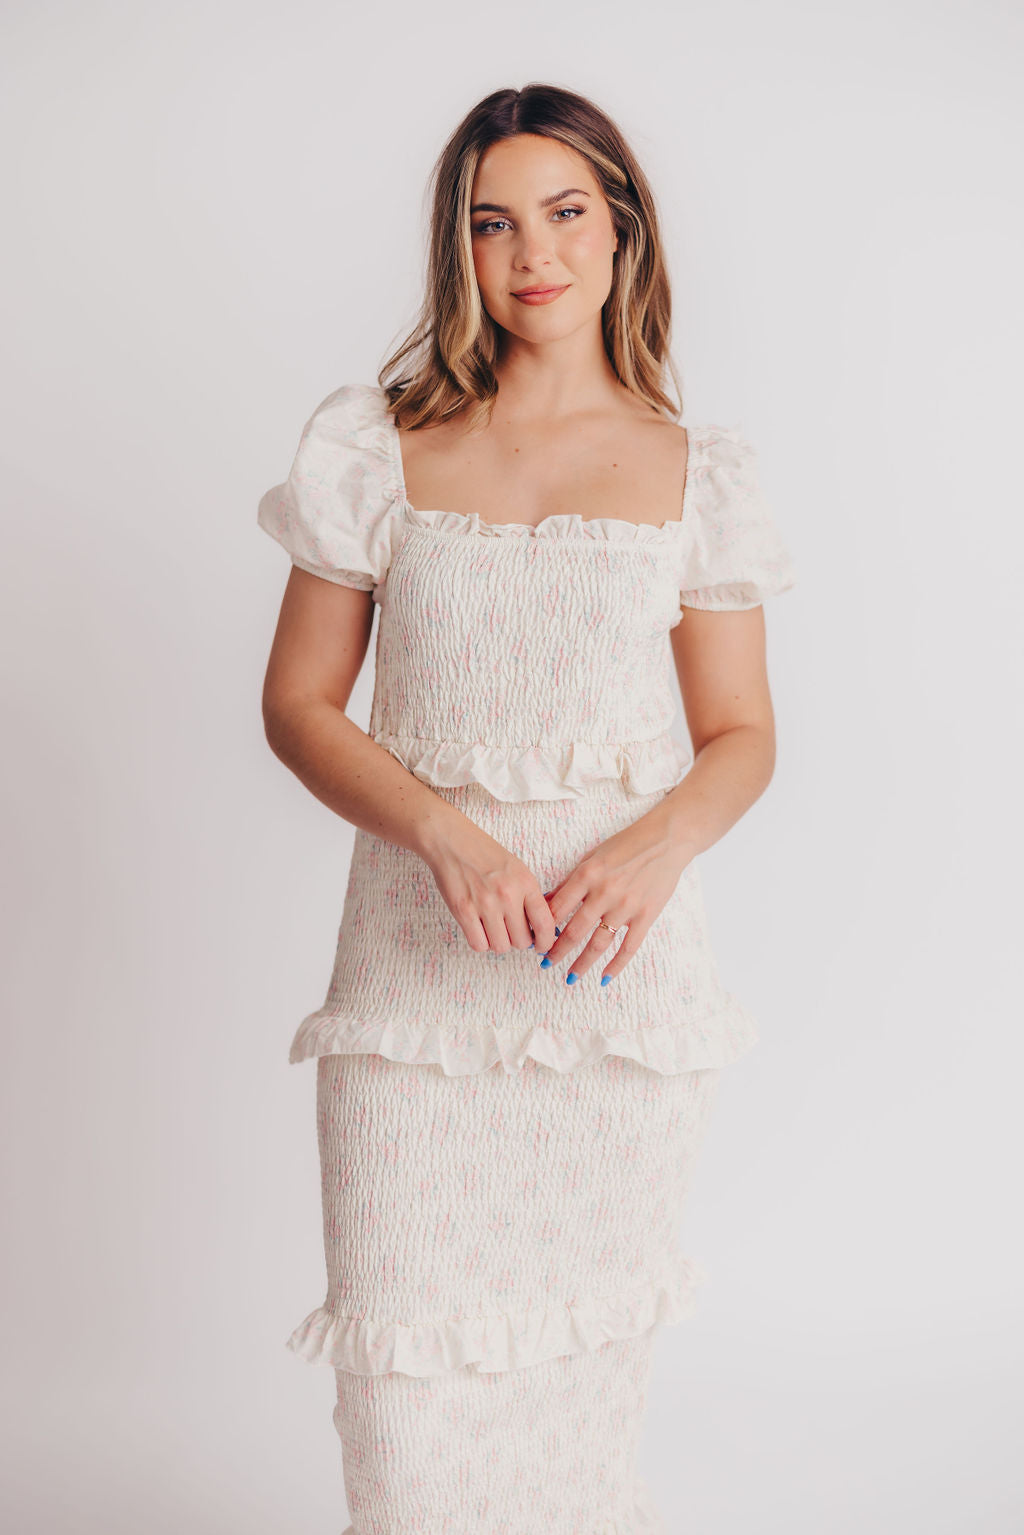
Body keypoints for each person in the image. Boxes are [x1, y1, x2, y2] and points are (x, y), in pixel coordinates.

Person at [256, 81, 796, 1535]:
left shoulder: (697, 473)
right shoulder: (375, 444)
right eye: (492, 223)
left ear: (623, 232)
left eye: (564, 213)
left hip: (614, 994)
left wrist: (656, 846)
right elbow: (299, 705)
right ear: (459, 248)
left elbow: (741, 735)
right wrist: (444, 831)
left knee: (576, 1387)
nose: (532, 253)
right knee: (403, 1396)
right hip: (412, 991)